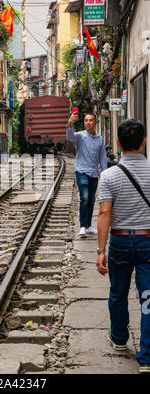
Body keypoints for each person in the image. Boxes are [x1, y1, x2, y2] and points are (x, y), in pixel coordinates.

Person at [97, 119, 150, 373]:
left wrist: (100, 250)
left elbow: (104, 214)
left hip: (118, 242)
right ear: (144, 142)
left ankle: (119, 339)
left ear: (117, 143)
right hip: (148, 241)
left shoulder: (108, 175)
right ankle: (147, 356)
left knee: (118, 293)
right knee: (148, 297)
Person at [66, 113, 107, 237]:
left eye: (90, 120)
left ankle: (89, 226)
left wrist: (104, 173)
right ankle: (82, 226)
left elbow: (102, 157)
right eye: (86, 121)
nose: (88, 122)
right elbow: (70, 136)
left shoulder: (100, 139)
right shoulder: (80, 136)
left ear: (95, 123)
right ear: (84, 123)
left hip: (94, 173)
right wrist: (69, 123)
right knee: (84, 198)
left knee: (91, 199)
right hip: (81, 171)